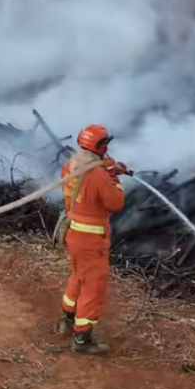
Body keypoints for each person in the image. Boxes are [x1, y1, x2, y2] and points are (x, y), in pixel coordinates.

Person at [60, 124, 129, 356]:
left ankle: (66, 318)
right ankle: (82, 339)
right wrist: (114, 177)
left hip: (73, 233)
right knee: (94, 284)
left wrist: (108, 167)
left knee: (78, 275)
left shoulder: (70, 165)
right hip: (90, 238)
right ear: (102, 146)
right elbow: (116, 202)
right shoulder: (99, 174)